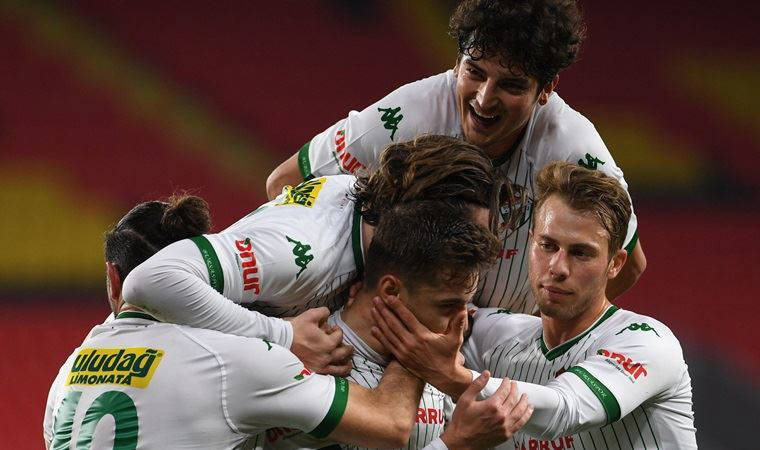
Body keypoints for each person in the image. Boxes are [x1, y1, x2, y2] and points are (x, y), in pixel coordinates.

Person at [43, 192, 531, 449]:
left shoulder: (66, 374)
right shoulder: (240, 362)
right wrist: (417, 338)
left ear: (112, 279)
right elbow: (388, 423)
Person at [266, 0, 646, 312]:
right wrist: (330, 304)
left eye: (511, 85)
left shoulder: (575, 152)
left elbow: (628, 263)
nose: (484, 98)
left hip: (502, 343)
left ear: (546, 88)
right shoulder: (405, 117)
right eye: (475, 72)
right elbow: (285, 183)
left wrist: (543, 336)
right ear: (457, 63)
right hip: (395, 328)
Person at [371, 162, 696, 449]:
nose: (558, 267)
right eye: (548, 245)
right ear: (530, 242)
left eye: (581, 253)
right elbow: (418, 315)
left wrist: (451, 377)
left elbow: (565, 409)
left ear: (615, 263)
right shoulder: (494, 337)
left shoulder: (647, 342)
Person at [122, 136, 503, 352]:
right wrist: (284, 336)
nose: (468, 252)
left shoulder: (364, 208)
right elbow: (148, 281)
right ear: (420, 223)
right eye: (461, 239)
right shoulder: (302, 252)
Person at [267, 200, 533, 450]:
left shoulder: (431, 360)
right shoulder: (310, 367)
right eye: (447, 305)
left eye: (466, 304)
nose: (462, 323)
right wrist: (457, 443)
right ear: (391, 291)